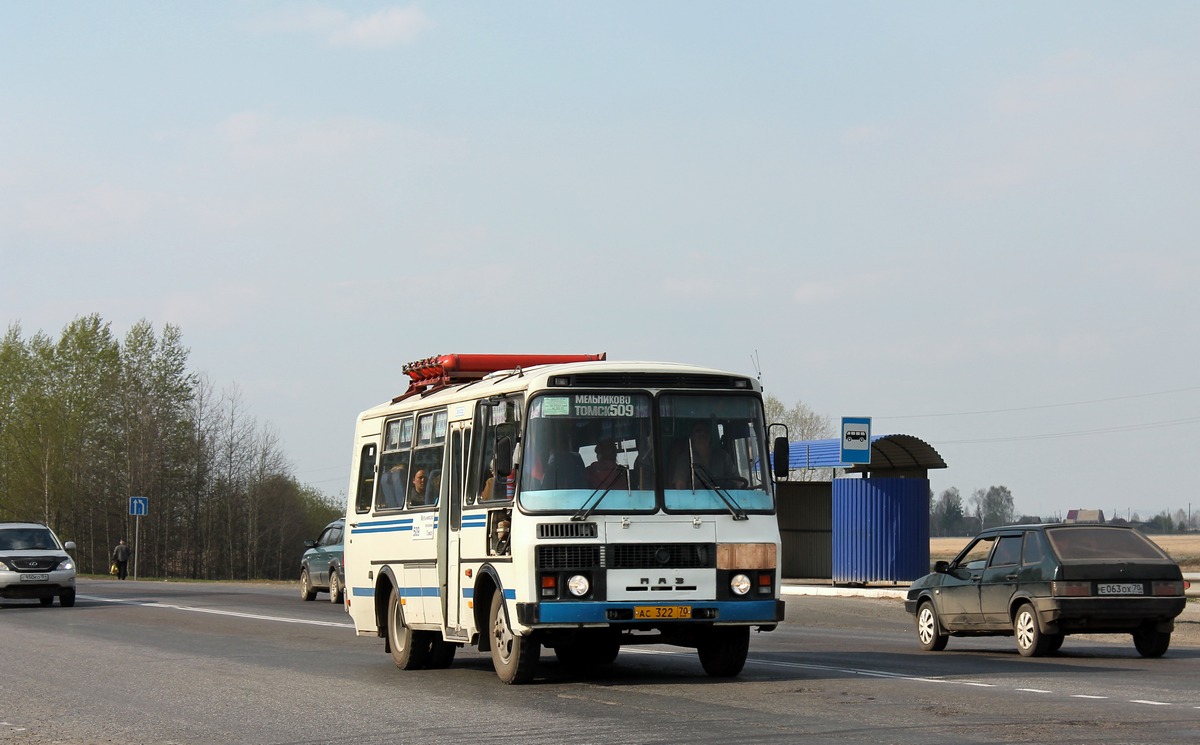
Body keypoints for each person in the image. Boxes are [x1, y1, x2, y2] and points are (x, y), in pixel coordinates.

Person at [671, 422, 737, 489]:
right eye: (698, 431)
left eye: (706, 431)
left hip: (723, 497)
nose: (703, 434)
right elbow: (680, 485)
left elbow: (737, 481)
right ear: (692, 436)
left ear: (710, 436)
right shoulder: (684, 459)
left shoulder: (723, 456)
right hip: (695, 498)